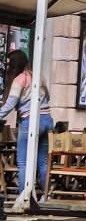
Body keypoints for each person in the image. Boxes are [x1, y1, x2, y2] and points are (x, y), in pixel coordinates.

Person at [0, 49, 54, 205]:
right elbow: (47, 97)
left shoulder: (20, 79)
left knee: (23, 162)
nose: (7, 67)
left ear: (14, 64)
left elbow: (10, 104)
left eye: (9, 64)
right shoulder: (37, 76)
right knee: (43, 162)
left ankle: (24, 196)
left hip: (30, 120)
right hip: (46, 119)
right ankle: (45, 196)